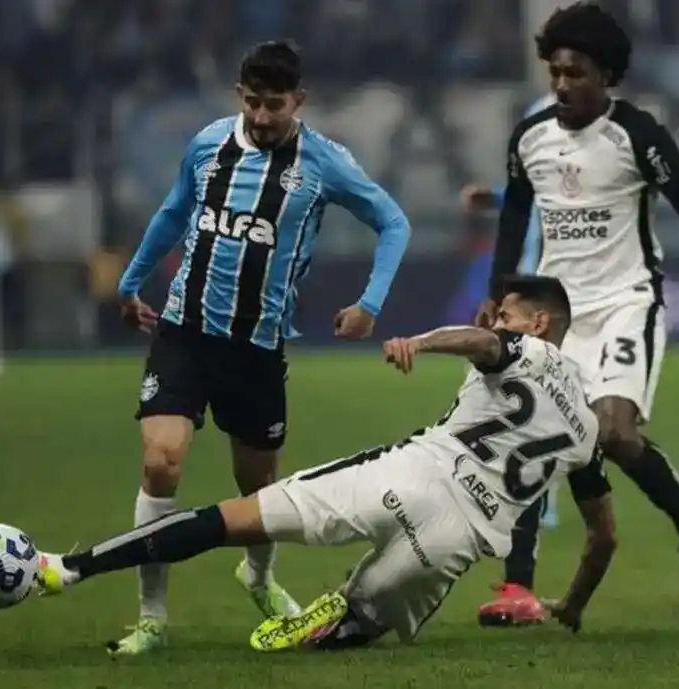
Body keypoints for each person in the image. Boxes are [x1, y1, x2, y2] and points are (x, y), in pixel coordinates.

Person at [34, 275, 617, 649]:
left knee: (229, 521)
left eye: (507, 315)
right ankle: (346, 614)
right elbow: (603, 536)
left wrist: (421, 342)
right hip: (453, 542)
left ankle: (72, 568)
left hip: (411, 475)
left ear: (538, 324)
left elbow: (481, 342)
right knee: (359, 622)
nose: (497, 323)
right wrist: (573, 604)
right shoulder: (587, 430)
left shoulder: (528, 350)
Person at [110, 40, 411, 655]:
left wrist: (370, 303)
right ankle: (151, 618)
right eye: (252, 102)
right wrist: (130, 282)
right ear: (238, 96)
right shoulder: (209, 144)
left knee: (258, 489)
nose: (262, 116)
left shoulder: (323, 162)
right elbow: (173, 212)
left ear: (299, 100)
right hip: (185, 332)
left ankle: (257, 575)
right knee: (161, 461)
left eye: (275, 105)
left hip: (256, 348)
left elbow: (393, 222)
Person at [474, 2, 679, 626]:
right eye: (556, 72)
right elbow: (515, 214)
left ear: (608, 76)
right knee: (533, 435)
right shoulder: (530, 138)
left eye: (577, 73)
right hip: (555, 314)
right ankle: (517, 588)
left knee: (614, 434)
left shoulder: (638, 136)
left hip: (625, 303)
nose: (563, 85)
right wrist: (498, 295)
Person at [458, 91, 561, 530]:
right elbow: (532, 195)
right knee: (511, 384)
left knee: (542, 388)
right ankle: (519, 486)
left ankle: (536, 492)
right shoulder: (541, 111)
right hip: (528, 277)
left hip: (563, 284)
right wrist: (498, 198)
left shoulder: (594, 121)